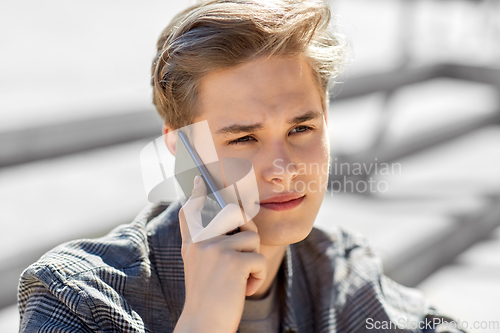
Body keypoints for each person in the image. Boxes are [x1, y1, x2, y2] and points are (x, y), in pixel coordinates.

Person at [18, 0, 463, 332]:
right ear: (181, 148)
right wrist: (203, 321)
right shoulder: (77, 296)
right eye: (245, 138)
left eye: (301, 129)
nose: (284, 169)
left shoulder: (337, 271)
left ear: (326, 121)